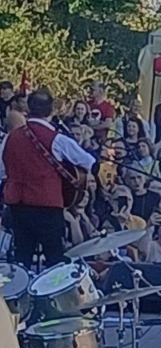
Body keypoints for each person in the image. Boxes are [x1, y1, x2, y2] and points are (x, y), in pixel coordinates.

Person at [0, 88, 96, 269]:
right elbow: (89, 162)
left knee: (22, 259)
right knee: (54, 259)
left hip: (18, 206)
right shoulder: (57, 139)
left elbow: (2, 171)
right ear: (52, 110)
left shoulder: (10, 138)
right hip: (47, 205)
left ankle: (21, 295)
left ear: (28, 109)